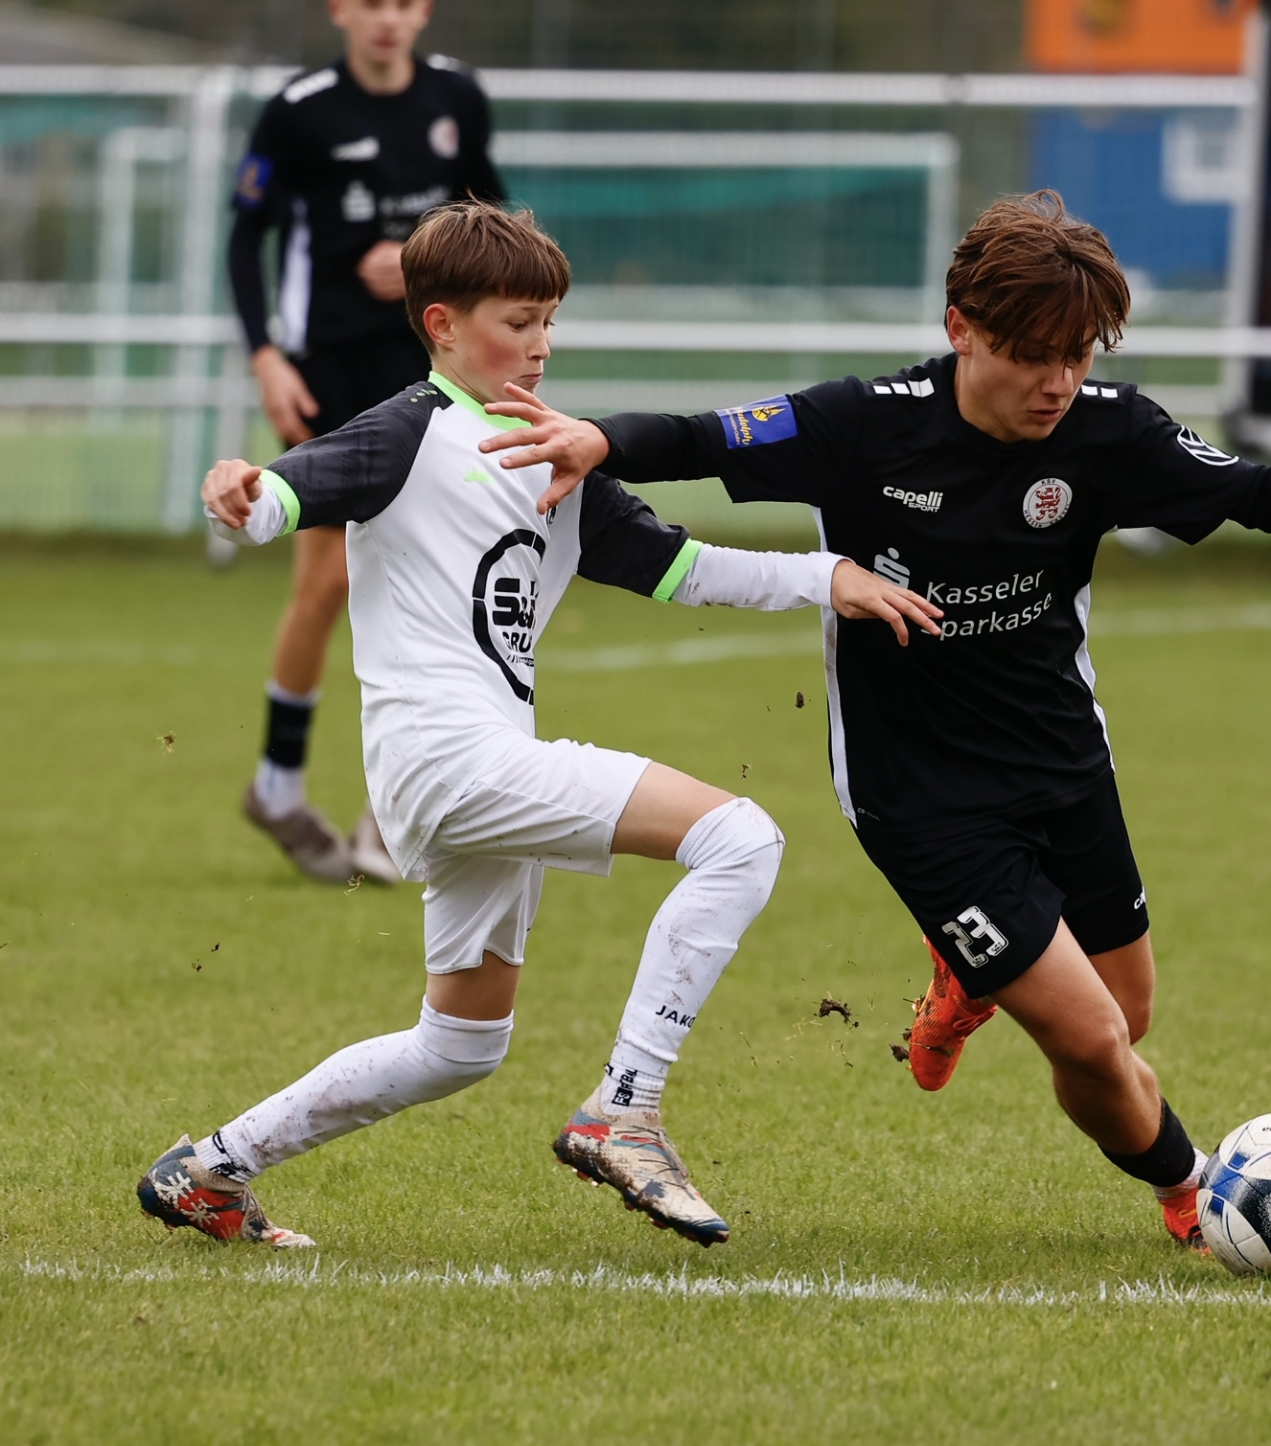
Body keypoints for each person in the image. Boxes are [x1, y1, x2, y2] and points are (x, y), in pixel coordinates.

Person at [478, 191, 1271, 1253]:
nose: (1057, 381)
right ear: (962, 328)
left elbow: (1244, 488)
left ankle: (964, 979)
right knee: (1091, 1039)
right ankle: (1199, 1194)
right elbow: (708, 438)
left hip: (1063, 759)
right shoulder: (870, 423)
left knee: (1128, 1014)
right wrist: (598, 439)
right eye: (1033, 354)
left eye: (1076, 355)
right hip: (921, 793)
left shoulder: (1108, 429)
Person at [138, 202, 942, 1249]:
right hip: (450, 760)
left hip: (467, 770)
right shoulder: (406, 432)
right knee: (740, 838)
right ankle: (625, 1112)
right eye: (518, 323)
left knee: (459, 1046)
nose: (542, 345)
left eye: (550, 322)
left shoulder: (550, 453)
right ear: (442, 325)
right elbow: (281, 499)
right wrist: (238, 493)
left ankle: (208, 1169)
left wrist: (823, 575)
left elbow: (680, 567)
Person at [229, 0, 504, 883]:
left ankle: (401, 807)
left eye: (402, 3)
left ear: (422, 12)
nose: (386, 19)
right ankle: (279, 786)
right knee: (329, 580)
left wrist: (427, 254)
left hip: (435, 371)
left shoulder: (458, 98)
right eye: (370, 2)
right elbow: (246, 236)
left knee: (449, 568)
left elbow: (491, 219)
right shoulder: (300, 108)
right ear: (340, 11)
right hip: (329, 371)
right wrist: (266, 358)